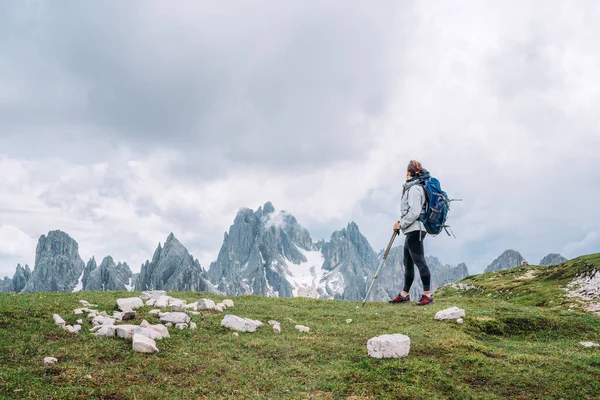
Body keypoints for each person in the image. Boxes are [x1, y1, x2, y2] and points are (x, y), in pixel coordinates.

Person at [390, 160, 433, 306]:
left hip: (416, 229)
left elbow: (414, 212)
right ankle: (404, 294)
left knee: (419, 261)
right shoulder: (414, 187)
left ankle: (427, 295)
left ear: (408, 173)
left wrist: (400, 224)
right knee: (408, 262)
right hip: (412, 229)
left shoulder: (414, 189)